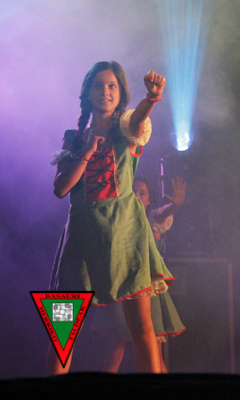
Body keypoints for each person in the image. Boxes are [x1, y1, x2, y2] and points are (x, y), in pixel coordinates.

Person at [49, 61, 169, 374]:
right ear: (87, 93)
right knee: (62, 330)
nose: (105, 91)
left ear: (121, 93)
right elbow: (60, 189)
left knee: (141, 326)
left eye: (112, 85)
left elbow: (138, 120)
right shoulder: (73, 138)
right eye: (98, 85)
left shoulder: (127, 130)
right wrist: (87, 151)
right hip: (80, 237)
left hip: (124, 235)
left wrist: (151, 98)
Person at [92, 176, 187, 373]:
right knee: (114, 350)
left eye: (142, 193)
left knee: (154, 353)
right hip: (122, 288)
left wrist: (174, 205)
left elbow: (163, 212)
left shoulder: (151, 219)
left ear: (149, 199)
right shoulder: (118, 220)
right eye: (133, 192)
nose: (136, 196)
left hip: (147, 291)